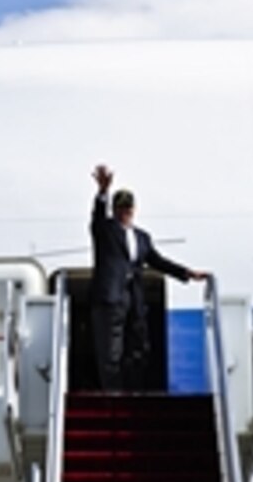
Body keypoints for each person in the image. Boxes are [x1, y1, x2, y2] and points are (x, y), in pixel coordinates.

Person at [88, 164, 206, 391]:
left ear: (134, 209)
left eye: (128, 208)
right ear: (114, 209)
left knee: (139, 347)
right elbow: (97, 217)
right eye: (120, 208)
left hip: (134, 299)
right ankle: (113, 396)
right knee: (110, 351)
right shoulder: (105, 230)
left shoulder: (142, 237)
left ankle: (134, 390)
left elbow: (157, 261)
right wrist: (103, 192)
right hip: (110, 298)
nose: (125, 212)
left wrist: (186, 273)